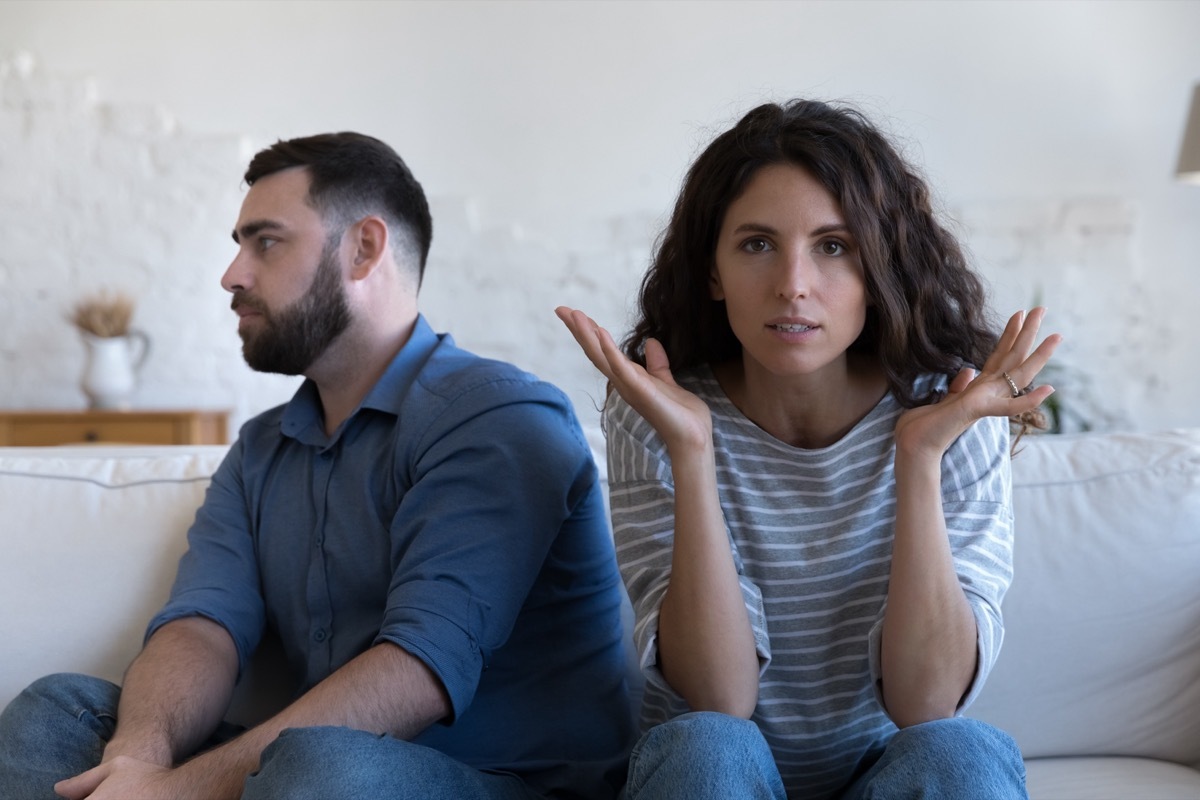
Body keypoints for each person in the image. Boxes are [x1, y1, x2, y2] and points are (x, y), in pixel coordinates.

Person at [0, 132, 632, 800]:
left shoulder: (498, 419)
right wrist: (134, 765)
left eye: (265, 242)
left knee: (325, 766)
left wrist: (177, 794)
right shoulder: (262, 450)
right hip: (305, 779)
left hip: (501, 784)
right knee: (59, 714)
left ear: (363, 248)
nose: (232, 274)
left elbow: (420, 669)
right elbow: (202, 626)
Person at [556, 99, 1060, 800]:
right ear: (713, 271)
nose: (793, 284)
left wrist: (917, 458)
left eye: (833, 246)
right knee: (709, 746)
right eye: (757, 244)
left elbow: (928, 703)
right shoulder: (661, 414)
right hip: (715, 776)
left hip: (882, 778)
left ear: (878, 265)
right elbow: (717, 697)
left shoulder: (949, 412)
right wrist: (694, 452)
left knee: (961, 755)